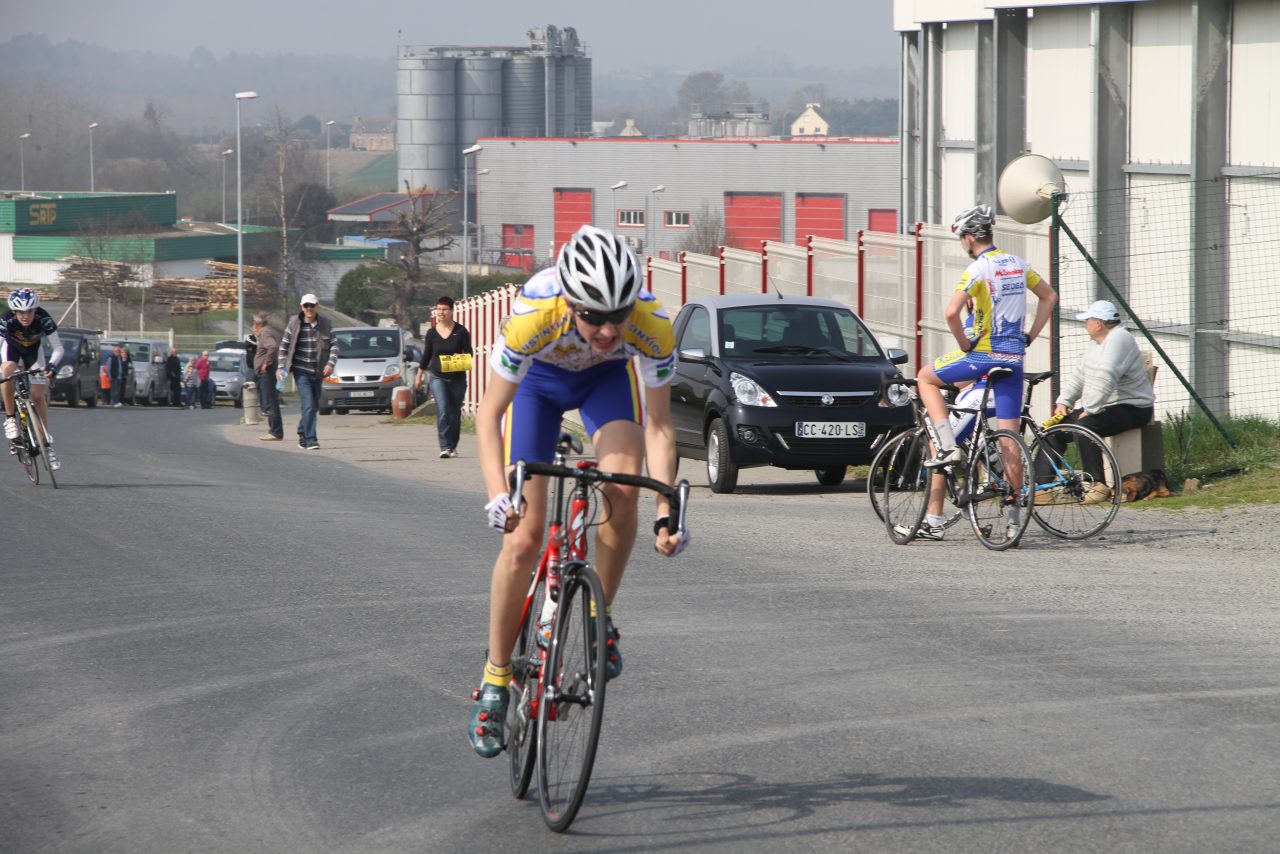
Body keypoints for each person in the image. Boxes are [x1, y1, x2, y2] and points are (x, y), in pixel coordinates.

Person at [468, 225, 688, 758]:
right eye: (593, 316)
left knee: (623, 489)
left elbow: (659, 427)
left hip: (605, 385)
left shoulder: (653, 324)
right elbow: (490, 414)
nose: (609, 330)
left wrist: (666, 508)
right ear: (569, 302)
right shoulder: (533, 315)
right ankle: (496, 680)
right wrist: (499, 493)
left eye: (618, 315)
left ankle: (597, 620)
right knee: (524, 538)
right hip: (539, 388)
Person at [906, 204, 1057, 541]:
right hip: (1014, 360)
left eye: (962, 238)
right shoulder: (1018, 264)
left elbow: (950, 313)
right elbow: (1049, 296)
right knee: (1010, 441)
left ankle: (946, 446)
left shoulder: (978, 269)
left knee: (924, 377)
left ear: (970, 237)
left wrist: (964, 344)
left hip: (984, 356)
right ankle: (1015, 522)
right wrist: (1030, 335)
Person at [1039, 299, 1155, 501]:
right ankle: (1041, 488)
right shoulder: (1095, 343)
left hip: (1134, 406)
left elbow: (1106, 376)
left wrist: (1090, 408)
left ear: (1098, 324)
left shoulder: (1120, 339)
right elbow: (1079, 375)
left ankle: (1097, 485)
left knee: (1085, 427)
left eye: (1087, 321)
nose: (1085, 325)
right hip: (1105, 406)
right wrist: (1064, 402)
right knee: (1053, 431)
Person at [1, 288, 65, 470]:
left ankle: (46, 443)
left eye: (29, 311)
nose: (25, 316)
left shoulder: (43, 318)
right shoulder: (6, 319)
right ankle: (11, 418)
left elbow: (58, 348)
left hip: (34, 353)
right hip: (11, 350)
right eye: (21, 312)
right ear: (14, 311)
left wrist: (52, 365)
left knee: (38, 396)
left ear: (35, 310)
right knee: (7, 370)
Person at [277, 293, 338, 450]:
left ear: (317, 306)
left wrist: (330, 364)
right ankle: (311, 439)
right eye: (306, 306)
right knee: (309, 405)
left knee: (314, 405)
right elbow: (284, 346)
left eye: (312, 305)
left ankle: (302, 430)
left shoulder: (326, 323)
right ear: (302, 307)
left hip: (317, 371)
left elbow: (335, 346)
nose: (309, 309)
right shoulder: (294, 323)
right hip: (301, 370)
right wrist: (281, 366)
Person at [416, 295, 473, 458]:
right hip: (438, 377)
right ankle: (445, 446)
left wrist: (452, 363)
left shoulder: (461, 331)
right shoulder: (432, 333)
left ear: (451, 311)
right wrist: (419, 374)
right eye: (439, 309)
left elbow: (469, 354)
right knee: (443, 409)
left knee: (454, 413)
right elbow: (427, 355)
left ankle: (453, 445)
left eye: (445, 309)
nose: (441, 312)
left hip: (457, 379)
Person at [251, 312, 284, 442]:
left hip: (268, 372)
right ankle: (275, 431)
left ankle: (275, 432)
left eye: (254, 325)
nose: (253, 328)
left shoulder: (265, 333)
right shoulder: (271, 331)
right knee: (271, 401)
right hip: (272, 370)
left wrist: (266, 363)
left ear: (258, 325)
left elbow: (272, 346)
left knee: (270, 403)